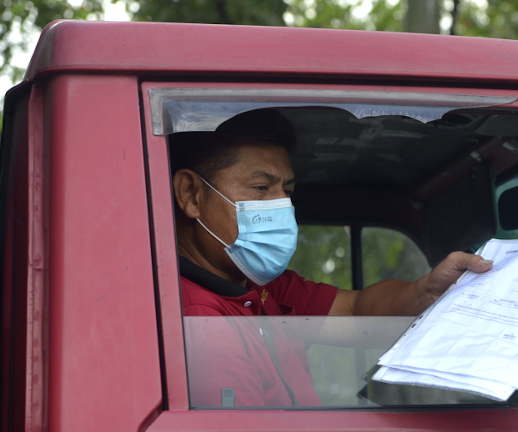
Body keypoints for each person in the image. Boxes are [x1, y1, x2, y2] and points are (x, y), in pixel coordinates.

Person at [170, 109, 492, 407]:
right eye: (260, 188)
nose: (283, 206)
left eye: (287, 192)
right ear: (191, 194)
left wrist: (428, 290)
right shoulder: (201, 322)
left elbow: (356, 311)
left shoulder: (261, 288)